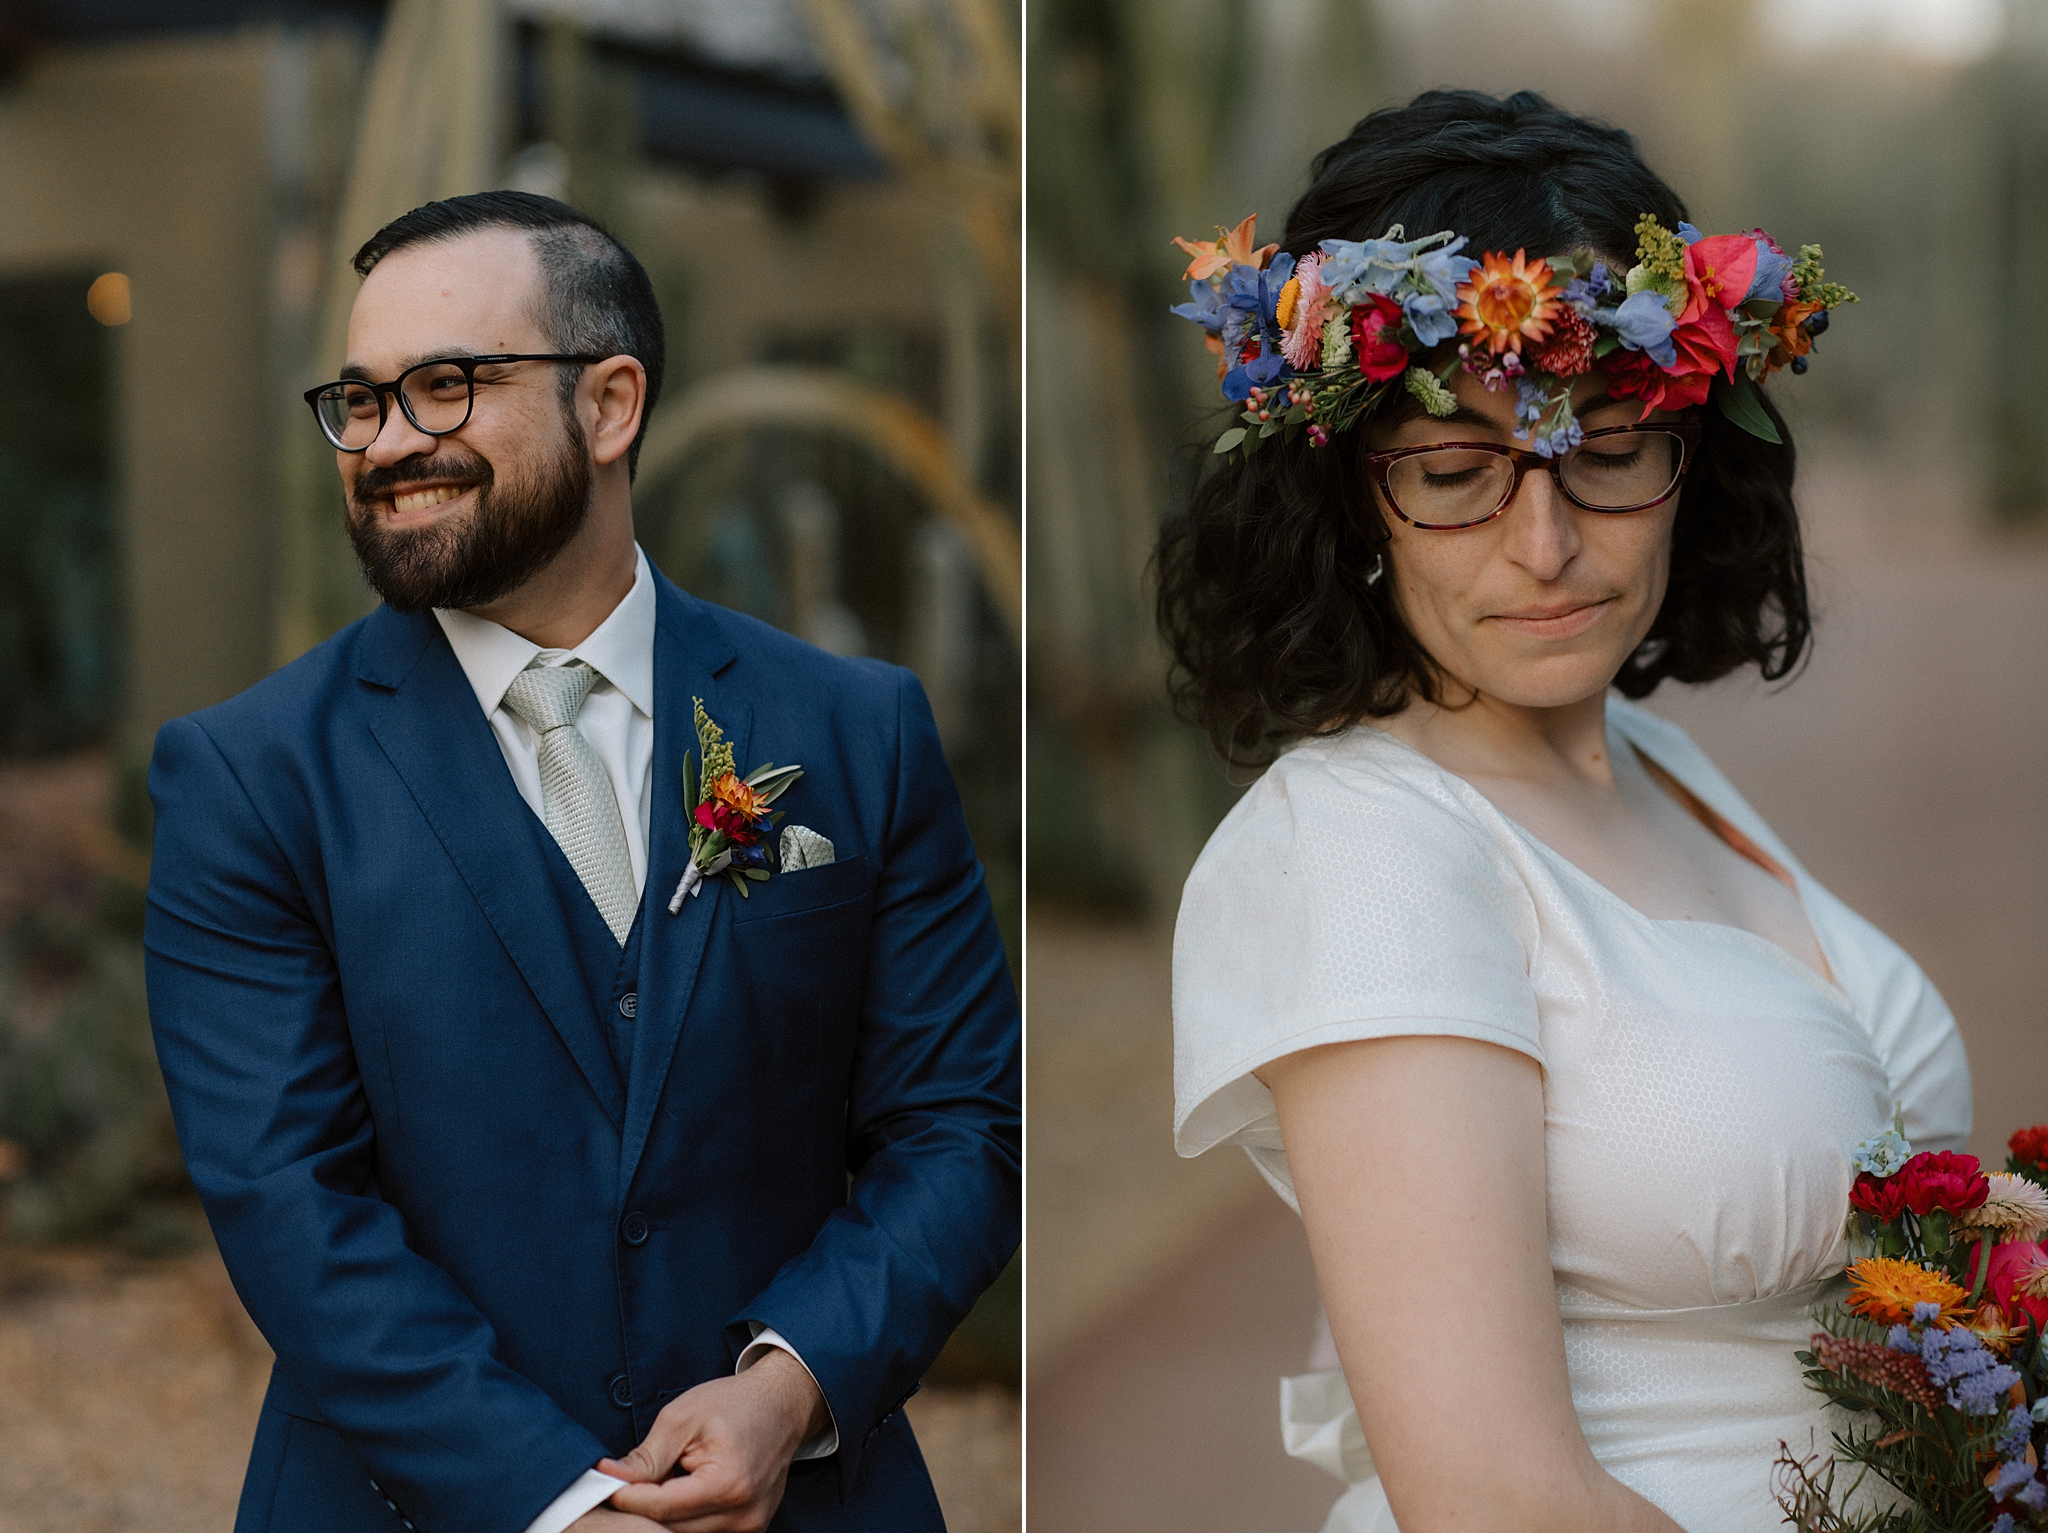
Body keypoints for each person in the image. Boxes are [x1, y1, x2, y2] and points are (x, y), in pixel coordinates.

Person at [143, 191, 1019, 1533]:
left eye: (444, 387)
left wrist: (791, 1383)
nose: (388, 443)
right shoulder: (251, 779)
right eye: (360, 402)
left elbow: (959, 1123)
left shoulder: (858, 730)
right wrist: (554, 1500)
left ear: (611, 405)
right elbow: (291, 1203)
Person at [1158, 91, 1971, 1533]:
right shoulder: (1359, 850)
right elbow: (1498, 1499)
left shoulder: (1661, 767)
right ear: (1351, 497)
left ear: (1691, 451)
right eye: (1458, 474)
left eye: (1605, 448)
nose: (1546, 546)